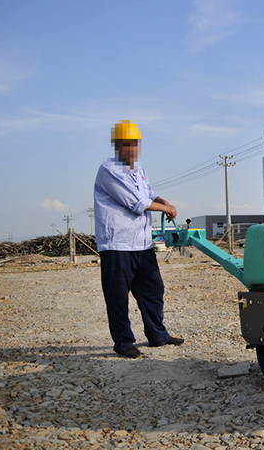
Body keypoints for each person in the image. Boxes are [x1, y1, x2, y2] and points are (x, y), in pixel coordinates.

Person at [93, 120, 184, 358]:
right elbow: (136, 203)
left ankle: (158, 335)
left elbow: (149, 193)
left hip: (141, 244)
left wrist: (164, 201)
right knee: (118, 296)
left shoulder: (139, 170)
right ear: (117, 146)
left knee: (153, 289)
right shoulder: (109, 170)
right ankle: (124, 343)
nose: (131, 149)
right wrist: (166, 208)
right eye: (126, 145)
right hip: (117, 245)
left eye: (134, 144)